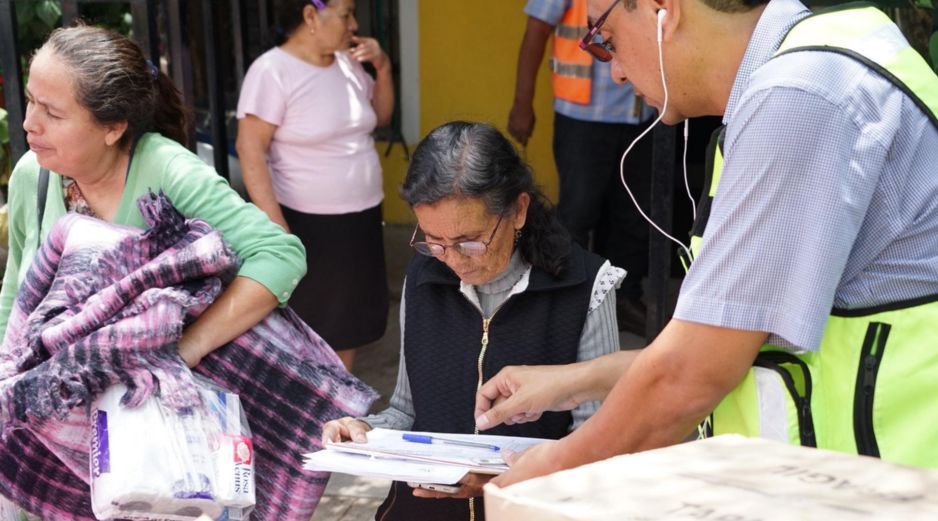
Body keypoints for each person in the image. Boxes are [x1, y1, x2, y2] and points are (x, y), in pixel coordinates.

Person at [475, 0, 938, 485]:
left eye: (604, 40)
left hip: (892, 487)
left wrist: (542, 474)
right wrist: (574, 382)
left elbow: (691, 373)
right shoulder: (815, 65)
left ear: (662, 11)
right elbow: (733, 342)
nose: (614, 74)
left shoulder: (802, 94)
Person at [0, 25, 315, 518]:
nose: (28, 124)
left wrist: (184, 350)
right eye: (30, 101)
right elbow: (17, 295)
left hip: (155, 442)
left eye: (52, 112)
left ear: (113, 126)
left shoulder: (166, 171)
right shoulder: (32, 177)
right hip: (57, 430)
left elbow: (279, 254)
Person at [321, 121, 625, 520]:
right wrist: (363, 432)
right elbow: (407, 410)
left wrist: (503, 479)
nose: (453, 258)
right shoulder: (424, 277)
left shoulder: (585, 286)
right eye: (433, 240)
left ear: (518, 210)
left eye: (470, 240)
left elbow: (600, 445)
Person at [236, 0, 393, 370]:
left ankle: (337, 406)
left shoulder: (348, 63)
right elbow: (250, 148)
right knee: (311, 327)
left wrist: (383, 67)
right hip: (307, 221)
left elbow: (382, 116)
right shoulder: (273, 70)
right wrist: (273, 222)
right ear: (310, 16)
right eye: (345, 14)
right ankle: (310, 413)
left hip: (361, 217)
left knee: (347, 325)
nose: (353, 24)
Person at [508, 0, 656, 336]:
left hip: (641, 112)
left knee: (633, 215)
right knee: (577, 214)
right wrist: (522, 103)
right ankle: (563, 301)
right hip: (582, 119)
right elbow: (535, 33)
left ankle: (623, 298)